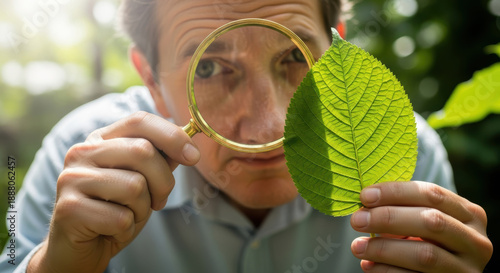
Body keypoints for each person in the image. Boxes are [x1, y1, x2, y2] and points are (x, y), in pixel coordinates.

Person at [0, 0, 492, 272]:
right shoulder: (81, 163)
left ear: (336, 45)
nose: (270, 127)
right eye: (210, 67)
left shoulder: (407, 159)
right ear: (149, 79)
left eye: (295, 57)